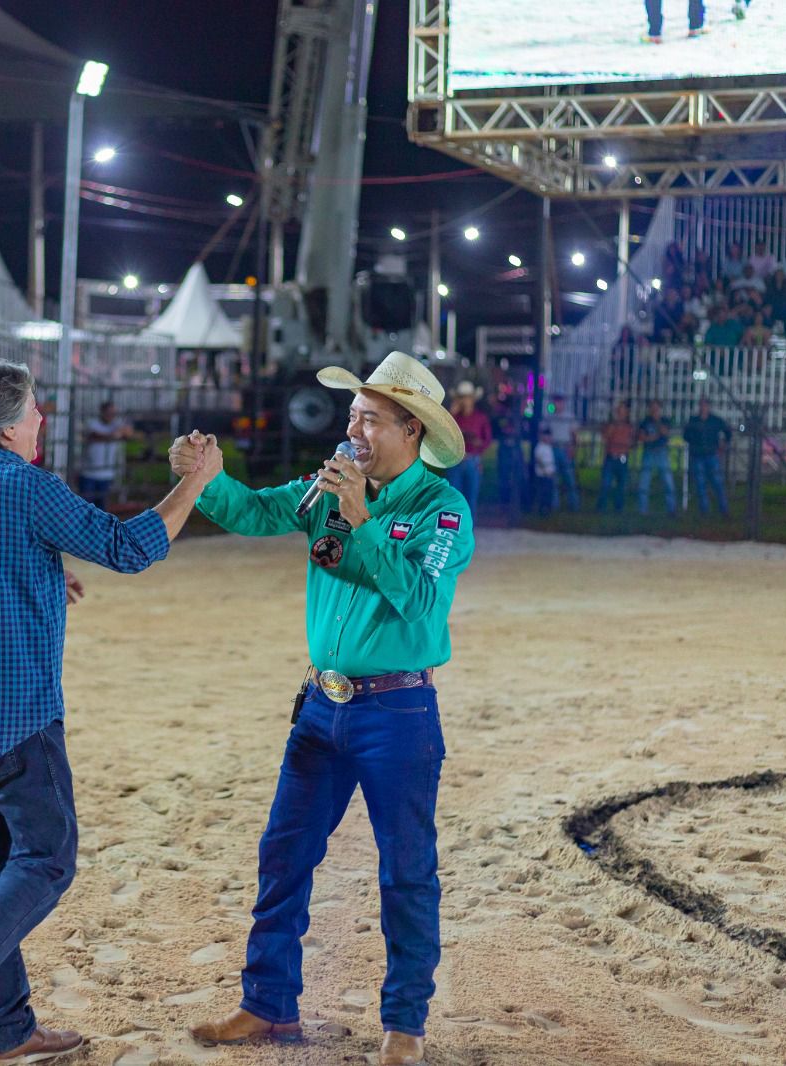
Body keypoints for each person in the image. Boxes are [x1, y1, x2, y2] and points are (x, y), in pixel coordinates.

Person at [0, 359, 221, 1066]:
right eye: (33, 412)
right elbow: (130, 548)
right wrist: (197, 481)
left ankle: (8, 1032)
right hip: (11, 714)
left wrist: (36, 572)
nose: (41, 423)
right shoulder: (27, 486)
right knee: (47, 859)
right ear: (5, 429)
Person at [176, 351, 471, 1066]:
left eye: (370, 419)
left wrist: (362, 520)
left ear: (412, 430)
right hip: (321, 706)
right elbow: (254, 511)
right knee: (283, 855)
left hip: (397, 715)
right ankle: (267, 1006)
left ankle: (405, 1028)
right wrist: (208, 480)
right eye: (352, 416)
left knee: (406, 872)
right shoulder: (327, 487)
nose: (354, 430)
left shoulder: (444, 510)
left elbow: (422, 601)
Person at [77, 400, 138, 508]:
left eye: (113, 413)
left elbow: (130, 434)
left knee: (102, 509)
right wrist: (114, 435)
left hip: (106, 474)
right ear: (102, 412)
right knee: (85, 508)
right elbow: (95, 436)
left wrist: (124, 429)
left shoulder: (116, 425)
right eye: (109, 413)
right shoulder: (92, 423)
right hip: (88, 473)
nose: (111, 416)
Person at [444, 380, 490, 513]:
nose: (465, 401)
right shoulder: (454, 418)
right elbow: (443, 434)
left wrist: (478, 445)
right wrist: (451, 413)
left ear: (473, 399)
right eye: (462, 398)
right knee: (453, 498)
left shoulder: (480, 418)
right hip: (455, 460)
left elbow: (486, 440)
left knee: (471, 498)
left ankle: (468, 529)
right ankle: (453, 530)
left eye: (467, 398)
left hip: (472, 460)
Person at [682, 398, 731, 516]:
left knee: (717, 483)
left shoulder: (715, 420)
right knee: (701, 483)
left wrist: (723, 444)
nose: (703, 408)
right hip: (698, 455)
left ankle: (724, 509)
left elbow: (728, 432)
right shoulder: (694, 420)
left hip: (711, 454)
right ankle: (705, 510)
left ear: (708, 407)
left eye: (705, 405)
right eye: (701, 405)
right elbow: (686, 435)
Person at [636, 400, 677, 516]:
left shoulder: (664, 420)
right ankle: (642, 510)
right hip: (649, 452)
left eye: (656, 407)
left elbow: (665, 433)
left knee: (668, 481)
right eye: (652, 407)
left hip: (661, 452)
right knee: (644, 482)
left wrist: (657, 424)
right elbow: (642, 437)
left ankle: (671, 509)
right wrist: (654, 437)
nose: (654, 410)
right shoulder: (645, 421)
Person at [597, 401, 634, 512]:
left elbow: (632, 442)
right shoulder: (610, 424)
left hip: (623, 458)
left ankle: (618, 508)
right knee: (606, 484)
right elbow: (605, 436)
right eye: (619, 410)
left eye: (623, 410)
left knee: (621, 485)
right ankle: (601, 507)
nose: (621, 412)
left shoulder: (629, 426)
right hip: (610, 456)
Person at [545, 394, 580, 511]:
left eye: (559, 402)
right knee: (553, 479)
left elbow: (574, 435)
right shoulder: (549, 417)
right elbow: (544, 432)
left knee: (569, 478)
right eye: (555, 402)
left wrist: (573, 448)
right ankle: (554, 504)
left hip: (565, 448)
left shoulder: (569, 417)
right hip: (553, 448)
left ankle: (574, 504)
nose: (557, 404)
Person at [532, 425, 558, 516]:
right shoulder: (540, 447)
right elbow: (539, 460)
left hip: (550, 474)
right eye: (547, 436)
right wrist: (545, 471)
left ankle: (548, 508)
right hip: (543, 475)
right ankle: (542, 510)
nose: (549, 438)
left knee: (549, 492)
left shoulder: (549, 447)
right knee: (544, 492)